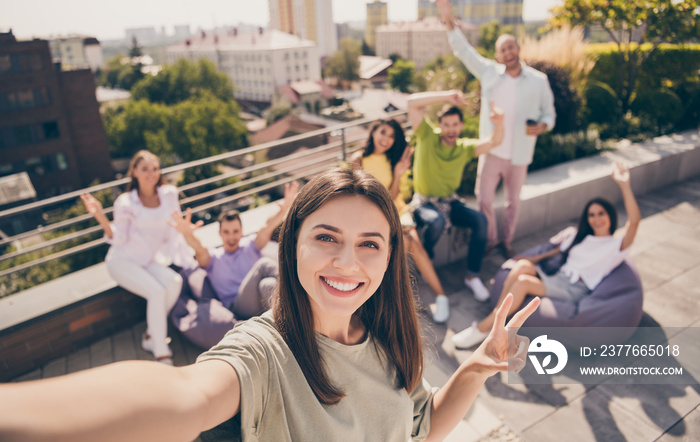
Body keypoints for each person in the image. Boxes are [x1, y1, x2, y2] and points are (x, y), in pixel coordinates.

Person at [0, 168, 539, 442]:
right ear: (292, 246)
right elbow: (182, 394)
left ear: (390, 255)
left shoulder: (388, 340)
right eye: (325, 237)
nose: (348, 262)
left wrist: (475, 369)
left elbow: (419, 428)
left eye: (369, 243)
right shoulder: (263, 353)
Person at [452, 162, 640, 349]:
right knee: (522, 267)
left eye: (601, 213)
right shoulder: (579, 237)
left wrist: (624, 185)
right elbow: (554, 252)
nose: (597, 219)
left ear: (610, 216)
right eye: (592, 215)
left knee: (523, 282)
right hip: (557, 278)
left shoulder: (616, 247)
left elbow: (634, 221)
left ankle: (485, 329)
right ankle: (498, 317)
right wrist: (525, 260)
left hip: (574, 289)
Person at [436, 0, 556, 259]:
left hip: (521, 155)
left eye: (511, 47)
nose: (508, 53)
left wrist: (544, 126)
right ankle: (490, 240)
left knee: (514, 203)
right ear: (497, 54)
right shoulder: (489, 72)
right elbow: (463, 50)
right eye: (503, 50)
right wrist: (448, 18)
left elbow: (550, 113)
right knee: (485, 201)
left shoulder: (539, 81)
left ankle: (506, 241)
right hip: (492, 150)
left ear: (518, 49)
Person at [80, 150, 194, 365]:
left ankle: (152, 335)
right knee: (157, 292)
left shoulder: (169, 194)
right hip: (122, 260)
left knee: (174, 281)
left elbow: (176, 224)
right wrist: (100, 216)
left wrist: (186, 238)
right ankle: (162, 352)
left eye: (154, 168)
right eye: (145, 169)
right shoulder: (126, 202)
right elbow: (119, 238)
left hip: (147, 260)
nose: (151, 173)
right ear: (134, 172)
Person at [350, 119, 452, 323]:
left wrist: (398, 173)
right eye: (383, 133)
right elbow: (358, 196)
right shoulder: (359, 159)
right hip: (374, 213)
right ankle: (396, 306)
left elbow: (393, 194)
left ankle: (441, 297)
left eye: (391, 136)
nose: (386, 139)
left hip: (397, 209)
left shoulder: (391, 160)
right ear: (373, 133)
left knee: (414, 245)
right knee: (402, 245)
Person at [407, 89, 504, 302]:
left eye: (455, 124)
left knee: (480, 219)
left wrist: (499, 123)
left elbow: (494, 142)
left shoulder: (464, 148)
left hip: (450, 201)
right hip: (423, 202)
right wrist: (447, 96)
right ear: (440, 125)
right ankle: (427, 259)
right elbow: (412, 102)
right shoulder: (426, 135)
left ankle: (472, 275)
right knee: (436, 221)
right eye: (446, 124)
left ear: (461, 126)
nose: (451, 129)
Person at [169, 181, 298, 320]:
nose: (231, 237)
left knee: (268, 286)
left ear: (242, 231)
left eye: (235, 231)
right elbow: (198, 248)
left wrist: (284, 210)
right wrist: (187, 234)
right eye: (226, 232)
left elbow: (267, 226)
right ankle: (298, 291)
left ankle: (287, 320)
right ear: (220, 233)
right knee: (264, 264)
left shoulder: (250, 246)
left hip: (259, 302)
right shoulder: (213, 258)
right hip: (236, 307)